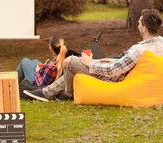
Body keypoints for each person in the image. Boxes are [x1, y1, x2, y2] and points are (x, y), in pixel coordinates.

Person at [24, 9, 163, 101]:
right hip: (122, 71)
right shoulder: (160, 42)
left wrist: (89, 63)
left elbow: (112, 72)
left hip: (114, 78)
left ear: (144, 28)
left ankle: (64, 94)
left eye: (139, 23)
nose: (138, 25)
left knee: (71, 61)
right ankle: (49, 92)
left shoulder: (138, 50)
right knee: (80, 63)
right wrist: (109, 60)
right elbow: (123, 64)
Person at [17, 34, 68, 99]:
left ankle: (10, 87)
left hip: (41, 84)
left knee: (24, 61)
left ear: (50, 48)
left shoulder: (52, 66)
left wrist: (38, 71)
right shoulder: (65, 58)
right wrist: (44, 67)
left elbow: (40, 84)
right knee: (35, 61)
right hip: (49, 78)